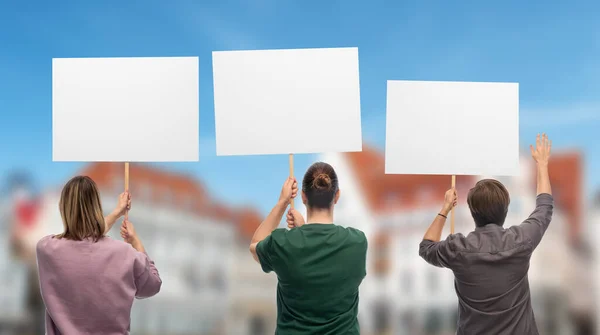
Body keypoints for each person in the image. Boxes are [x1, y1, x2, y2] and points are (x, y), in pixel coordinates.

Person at [419, 133, 553, 335]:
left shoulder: (457, 248)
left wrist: (445, 208)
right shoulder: (522, 240)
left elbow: (426, 247)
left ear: (472, 212)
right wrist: (542, 164)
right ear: (506, 210)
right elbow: (544, 208)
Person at [249, 162, 368, 334]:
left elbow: (255, 245)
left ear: (303, 197)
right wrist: (302, 231)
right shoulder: (357, 242)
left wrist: (282, 203)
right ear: (337, 196)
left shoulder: (283, 243)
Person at [36, 176, 162, 335]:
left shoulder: (47, 249)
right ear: (97, 206)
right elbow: (152, 285)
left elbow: (82, 236)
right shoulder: (126, 254)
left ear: (63, 208)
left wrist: (116, 213)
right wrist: (136, 242)